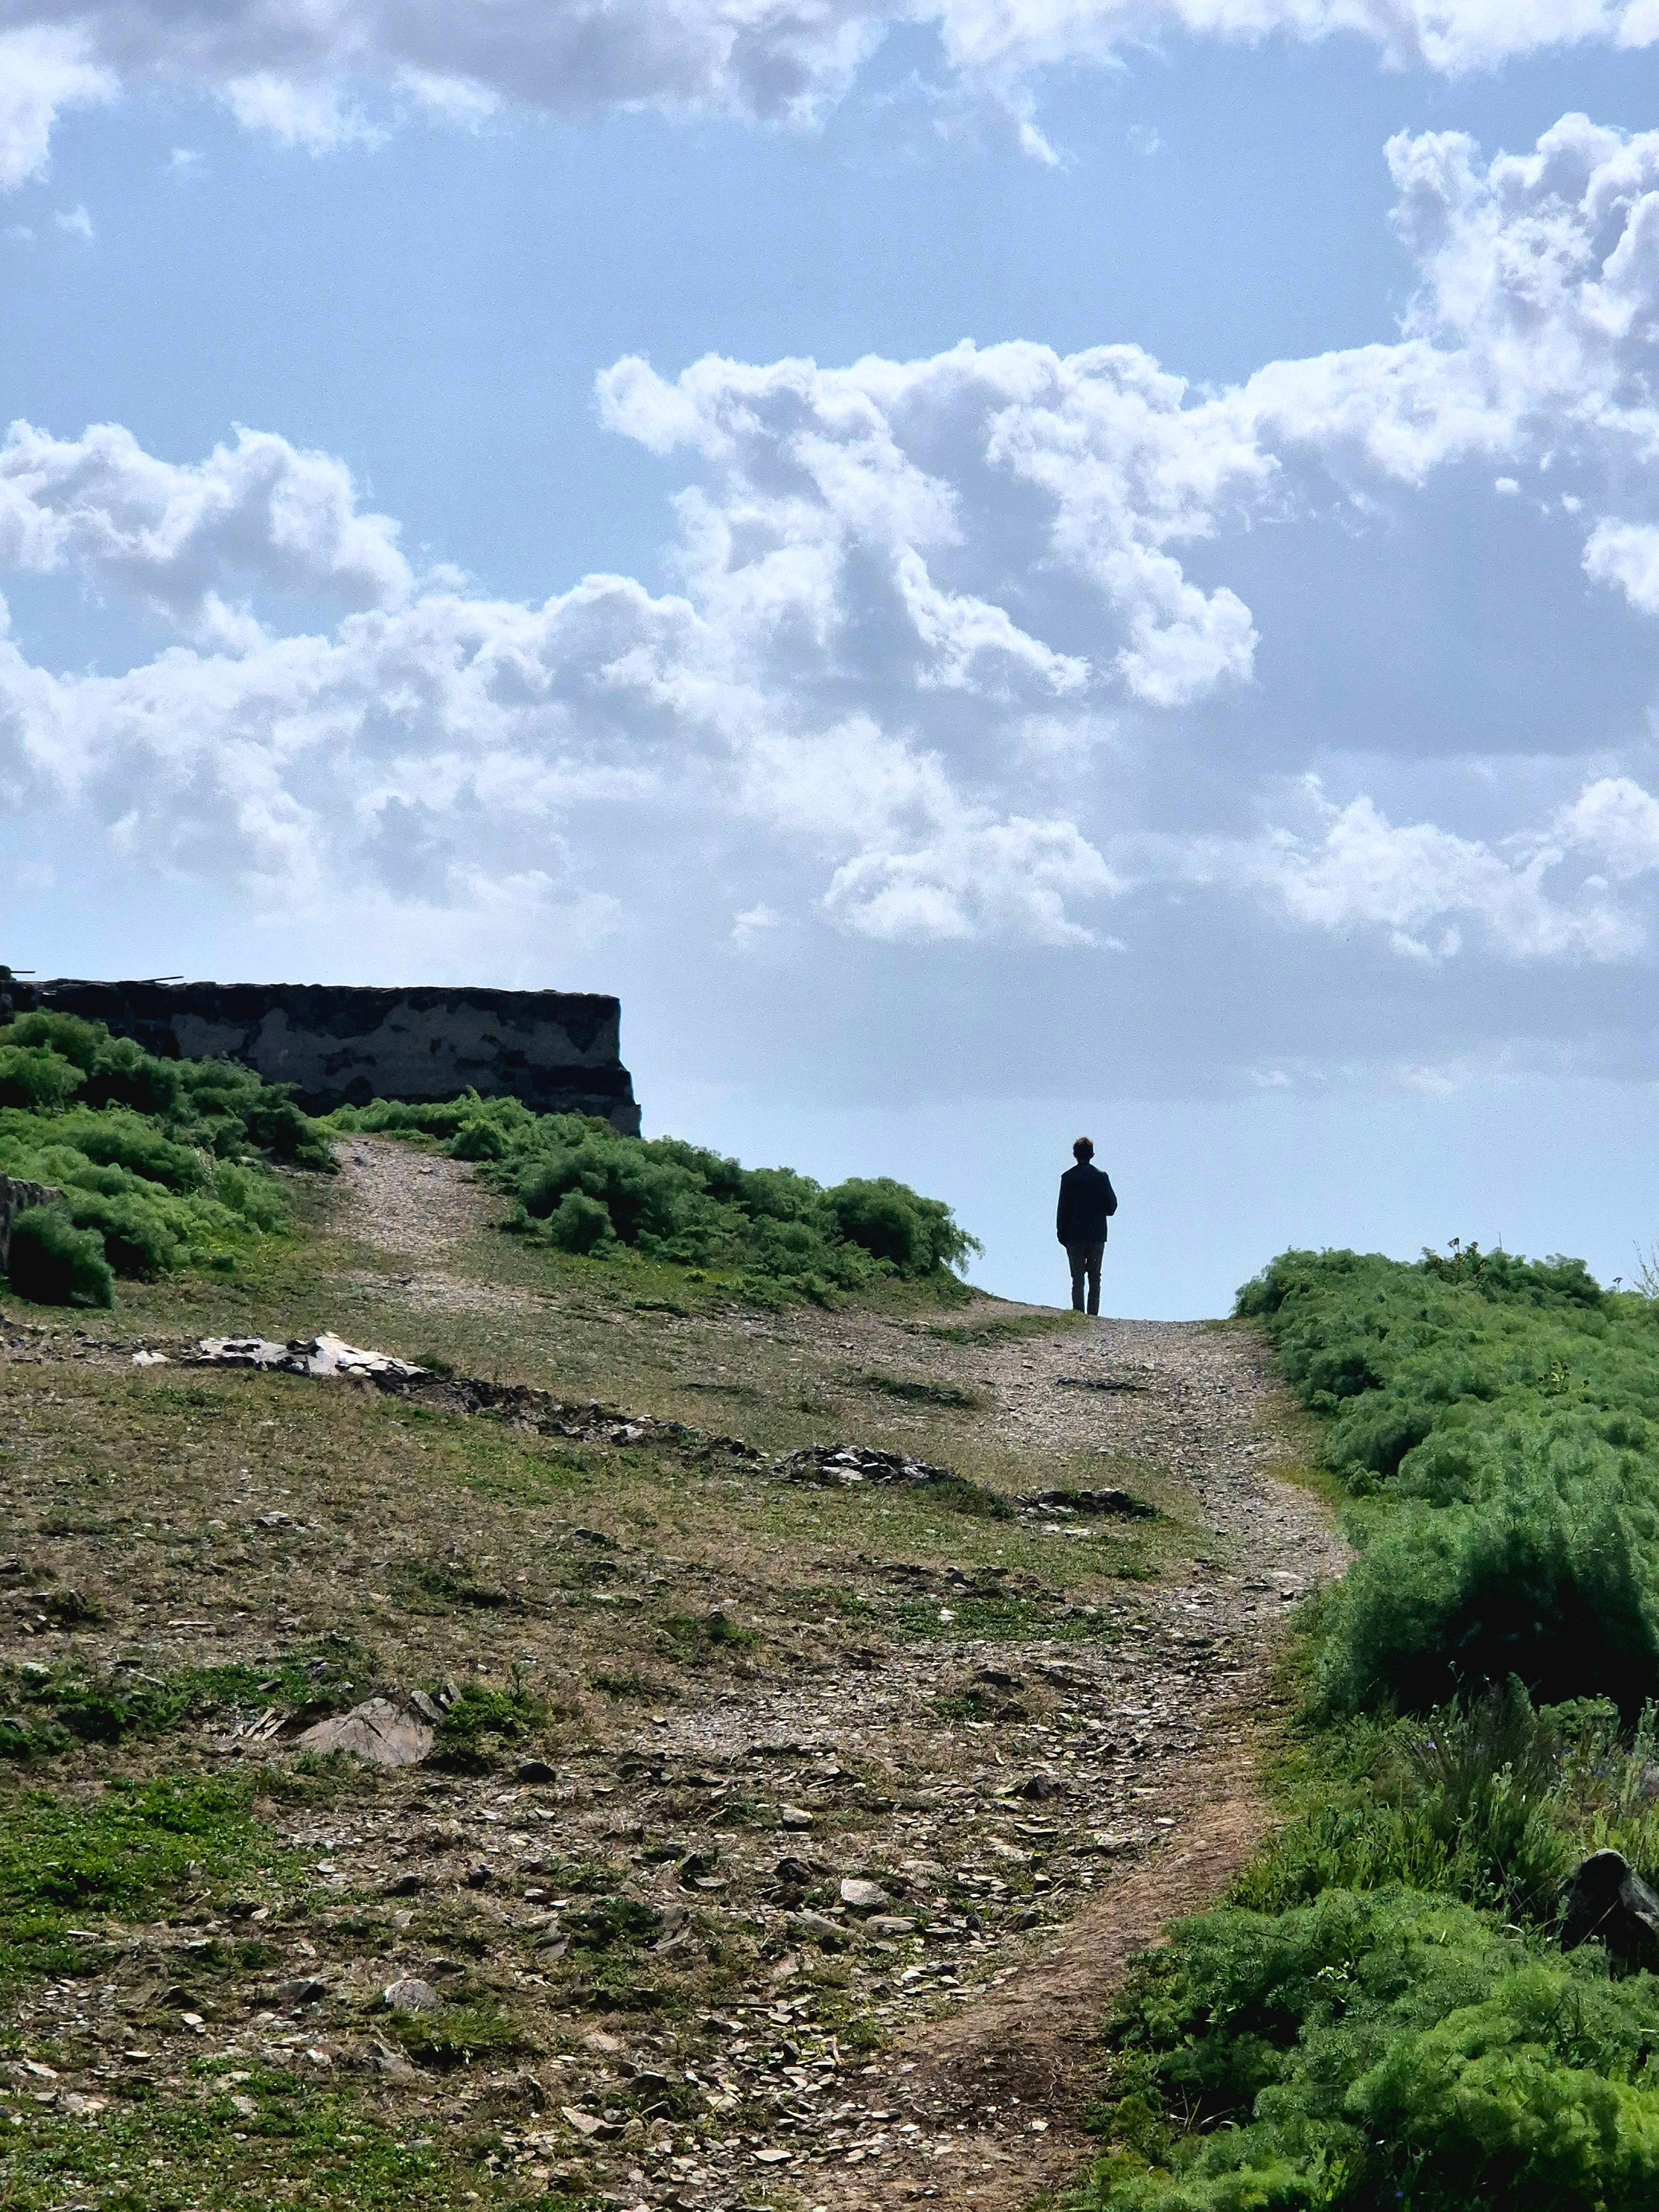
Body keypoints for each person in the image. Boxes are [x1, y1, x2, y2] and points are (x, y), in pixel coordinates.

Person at [1056, 1136, 1117, 1316]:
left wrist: (1062, 1234)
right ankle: (1093, 1315)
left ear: (1075, 1154)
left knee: (1077, 1278)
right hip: (1097, 1234)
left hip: (1074, 1234)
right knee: (1095, 1277)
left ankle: (1078, 1313)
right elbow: (1112, 1206)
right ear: (1092, 1154)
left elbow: (1062, 1209)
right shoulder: (1101, 1177)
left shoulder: (1068, 1178)